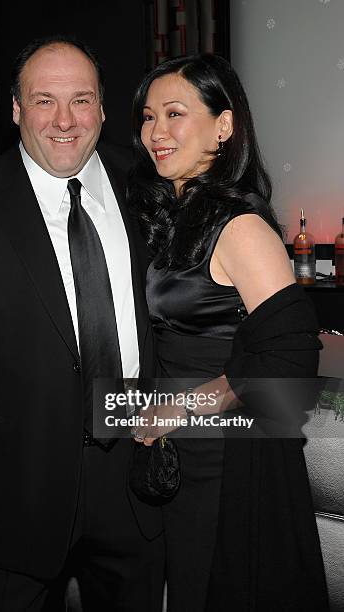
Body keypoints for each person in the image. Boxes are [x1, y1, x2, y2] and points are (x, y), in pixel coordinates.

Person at [0, 36, 164, 612]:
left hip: (136, 480)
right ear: (16, 110)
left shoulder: (148, 185)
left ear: (102, 109)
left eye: (81, 100)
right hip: (8, 490)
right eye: (44, 101)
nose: (64, 120)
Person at [128, 54, 329, 611]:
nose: (156, 132)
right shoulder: (172, 219)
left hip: (225, 459)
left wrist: (186, 407)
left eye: (175, 113)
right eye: (148, 116)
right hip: (179, 454)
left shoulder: (240, 227)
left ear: (223, 125)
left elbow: (291, 355)